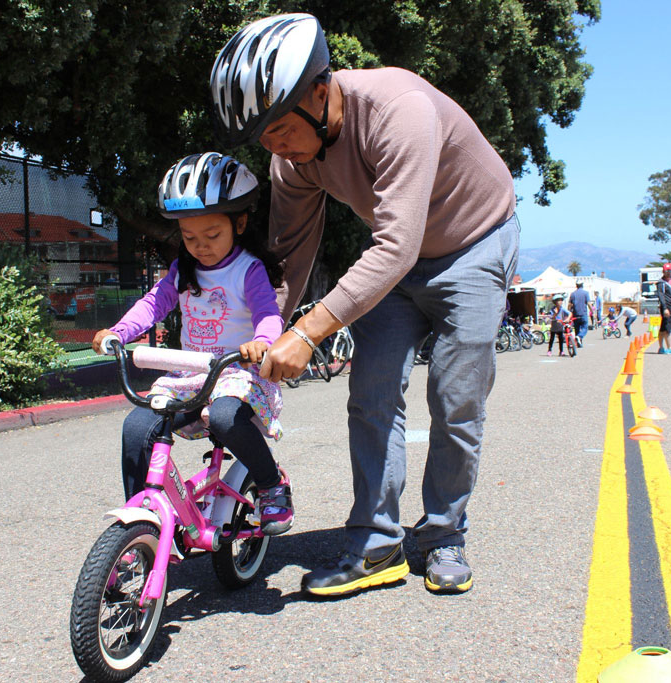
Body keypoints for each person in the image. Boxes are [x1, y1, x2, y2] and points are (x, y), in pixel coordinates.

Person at [210, 13, 520, 596]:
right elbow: (289, 255)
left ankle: (443, 535)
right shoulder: (292, 160)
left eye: (279, 129)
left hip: (474, 244)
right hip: (394, 267)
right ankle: (377, 544)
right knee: (371, 393)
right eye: (262, 138)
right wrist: (264, 332)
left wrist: (307, 335)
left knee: (456, 398)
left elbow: (396, 244)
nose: (274, 148)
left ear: (321, 94)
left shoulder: (399, 109)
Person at [91, 153, 294, 536]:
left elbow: (268, 313)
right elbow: (153, 304)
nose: (200, 246)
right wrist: (119, 331)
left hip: (237, 374)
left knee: (224, 417)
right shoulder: (182, 270)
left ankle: (271, 485)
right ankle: (141, 521)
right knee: (137, 426)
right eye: (189, 237)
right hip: (192, 375)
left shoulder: (247, 269)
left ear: (239, 223)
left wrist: (263, 342)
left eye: (212, 235)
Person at [568, 281, 590, 347]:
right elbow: (588, 303)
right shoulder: (586, 293)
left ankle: (579, 344)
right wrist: (593, 311)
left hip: (575, 314)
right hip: (583, 314)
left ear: (576, 285)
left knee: (577, 329)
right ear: (582, 285)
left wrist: (569, 313)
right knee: (585, 328)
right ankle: (579, 337)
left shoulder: (573, 294)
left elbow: (569, 305)